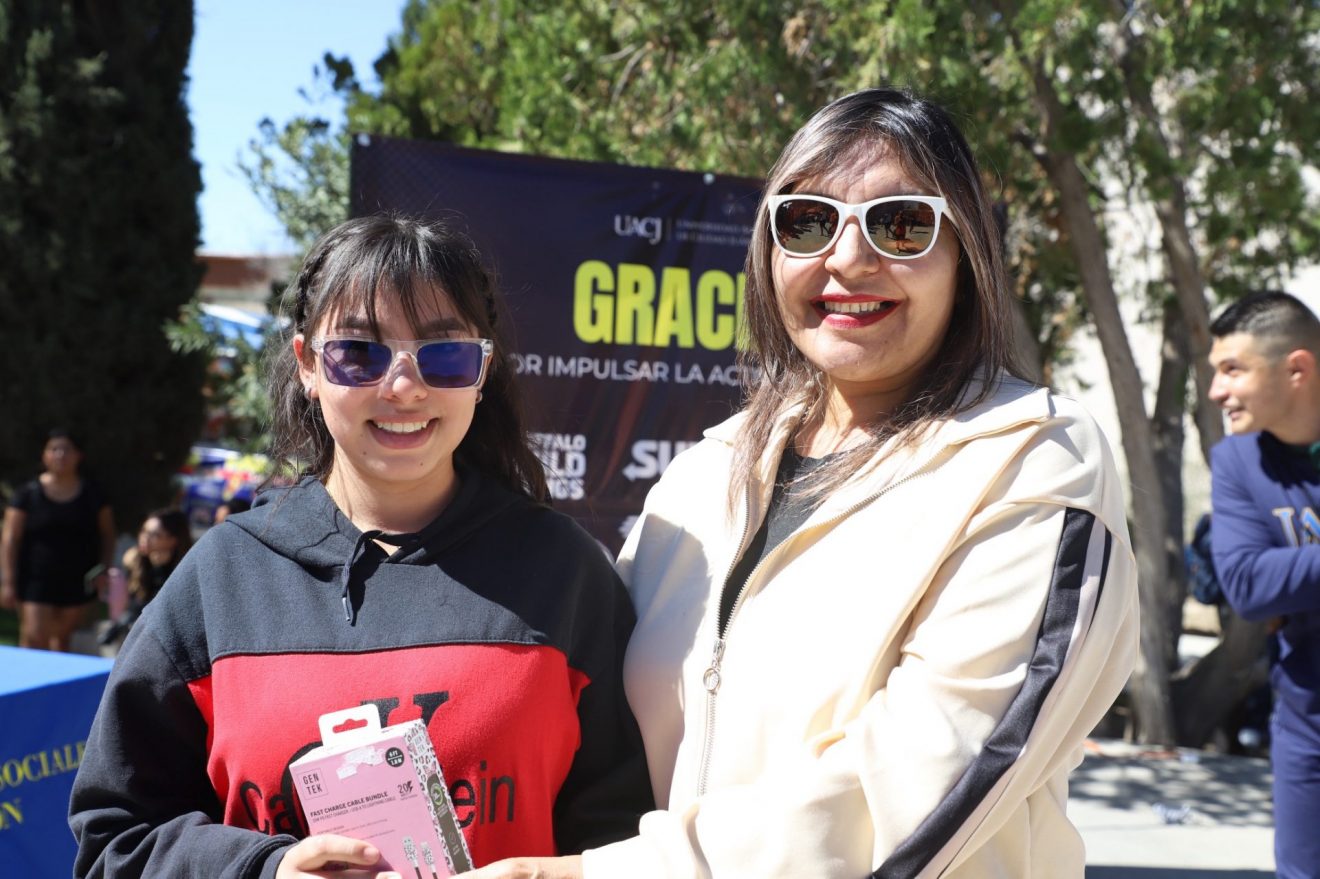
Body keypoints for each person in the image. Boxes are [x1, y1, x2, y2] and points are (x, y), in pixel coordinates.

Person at [467, 87, 1139, 879]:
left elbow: (930, 783)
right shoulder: (706, 473)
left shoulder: (1034, 459)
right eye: (808, 221)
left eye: (901, 223)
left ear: (965, 256)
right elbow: (586, 728)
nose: (848, 259)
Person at [70, 214, 652, 877]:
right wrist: (264, 869)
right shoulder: (221, 580)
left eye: (445, 354)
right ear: (307, 365)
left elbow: (633, 837)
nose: (404, 387)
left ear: (482, 371)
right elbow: (114, 838)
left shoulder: (566, 575)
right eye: (360, 353)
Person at [1206, 291, 1320, 879]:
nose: (1216, 390)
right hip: (1306, 723)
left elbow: (1274, 576)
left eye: (1233, 370)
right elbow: (1248, 584)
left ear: (1296, 369)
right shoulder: (1237, 461)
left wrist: (1295, 576)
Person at [1, 429, 116, 652]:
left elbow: (108, 534)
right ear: (44, 455)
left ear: (78, 455)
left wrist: (104, 568)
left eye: (66, 449)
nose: (60, 455)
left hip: (78, 579)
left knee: (63, 642)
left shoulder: (93, 494)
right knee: (34, 638)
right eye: (54, 449)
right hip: (35, 578)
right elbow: (10, 538)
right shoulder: (27, 494)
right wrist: (8, 581)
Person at [98, 507, 193, 648]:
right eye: (144, 531)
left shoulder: (186, 570)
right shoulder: (136, 560)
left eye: (155, 535)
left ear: (173, 540)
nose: (144, 538)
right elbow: (136, 603)